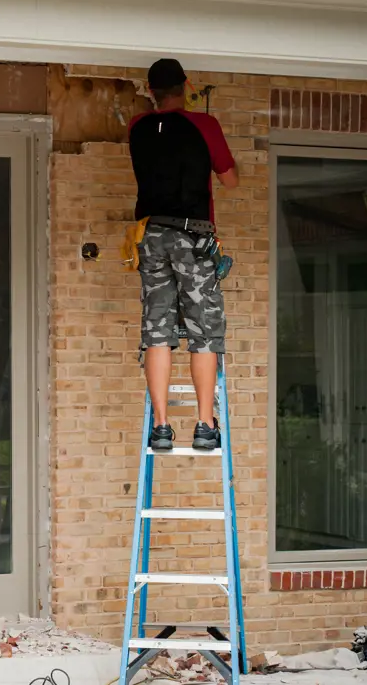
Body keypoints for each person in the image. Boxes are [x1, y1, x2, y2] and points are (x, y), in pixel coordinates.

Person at [128, 58, 238, 451]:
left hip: (151, 235)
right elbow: (230, 179)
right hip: (193, 236)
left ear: (150, 90)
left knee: (157, 330)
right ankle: (205, 425)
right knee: (203, 331)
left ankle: (161, 427)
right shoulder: (204, 125)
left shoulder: (136, 127)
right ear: (187, 85)